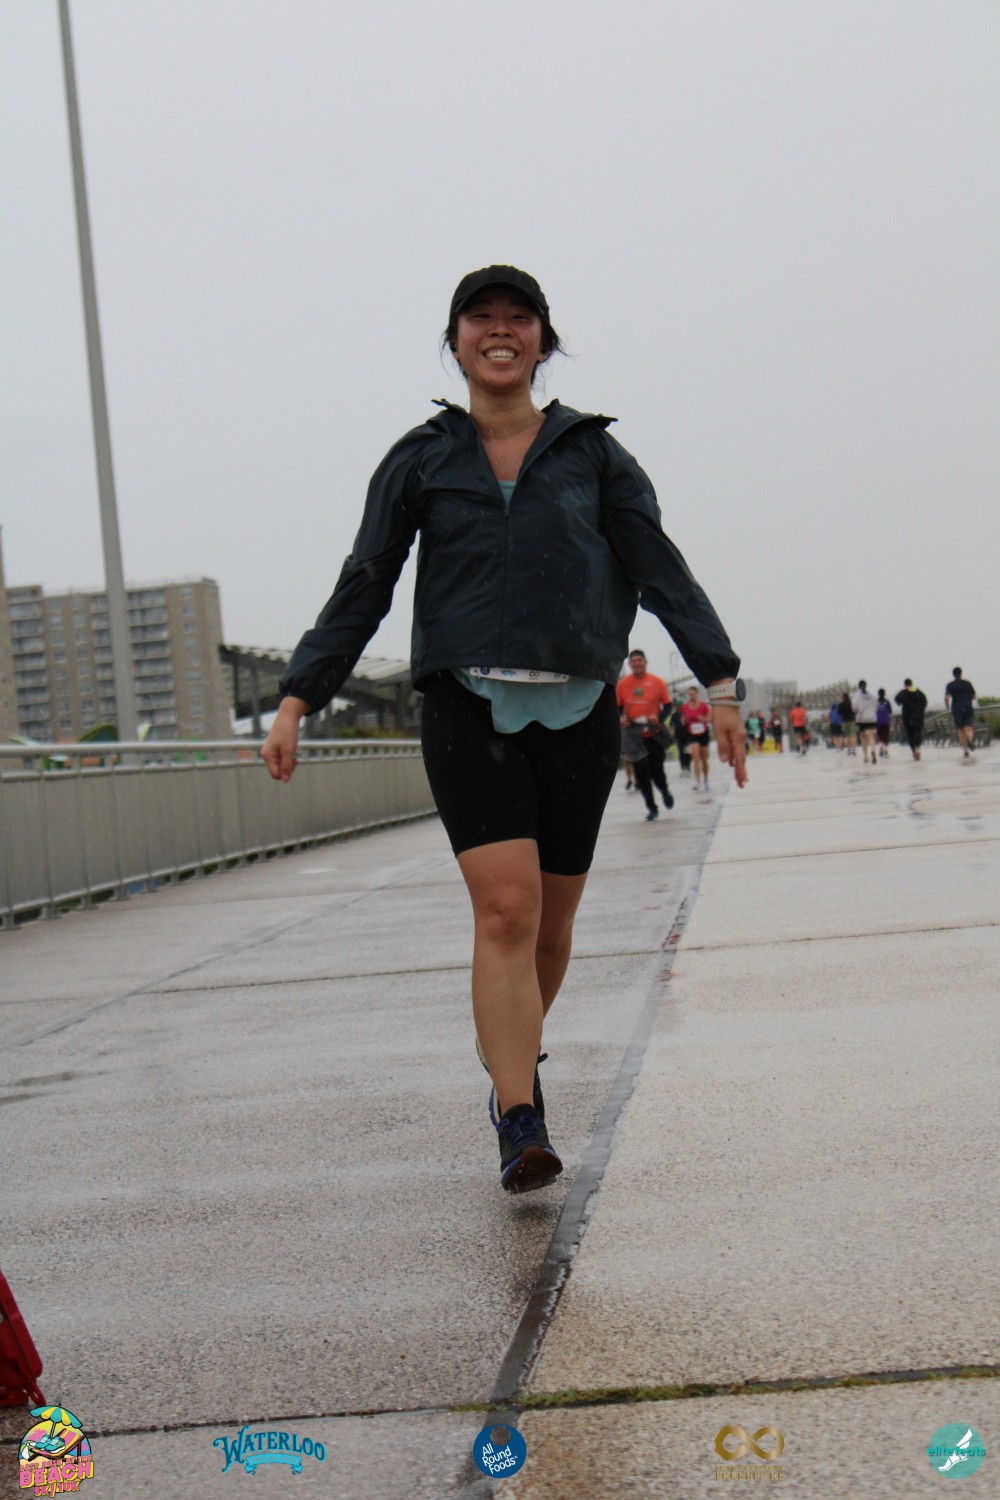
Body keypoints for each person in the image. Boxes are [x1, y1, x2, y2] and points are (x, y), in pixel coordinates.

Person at [260, 265, 747, 1196]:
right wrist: (297, 698)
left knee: (552, 927)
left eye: (518, 319)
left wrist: (719, 681)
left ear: (542, 341)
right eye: (479, 318)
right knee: (508, 911)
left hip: (578, 710)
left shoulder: (594, 455)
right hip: (465, 704)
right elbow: (367, 579)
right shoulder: (421, 459)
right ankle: (520, 1114)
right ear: (454, 342)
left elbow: (659, 567)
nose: (499, 331)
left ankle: (509, 1060)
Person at [616, 650, 674, 821]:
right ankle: (651, 807)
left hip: (652, 731)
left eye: (639, 660)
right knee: (641, 774)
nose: (636, 663)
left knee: (657, 771)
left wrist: (659, 718)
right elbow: (617, 707)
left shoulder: (657, 682)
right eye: (633, 661)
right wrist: (621, 718)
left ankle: (664, 790)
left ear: (645, 662)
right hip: (634, 734)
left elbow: (668, 705)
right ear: (629, 664)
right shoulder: (623, 685)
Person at [681, 684, 712, 791]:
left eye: (693, 694)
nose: (691, 697)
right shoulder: (685, 706)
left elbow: (710, 718)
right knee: (696, 759)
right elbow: (683, 718)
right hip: (692, 733)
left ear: (697, 694)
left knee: (704, 759)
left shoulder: (703, 705)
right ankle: (698, 782)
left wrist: (703, 719)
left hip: (703, 733)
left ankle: (706, 780)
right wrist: (683, 721)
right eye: (690, 695)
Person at [945, 667, 977, 759]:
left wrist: (947, 706)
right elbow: (974, 696)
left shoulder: (950, 685)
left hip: (957, 709)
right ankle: (970, 739)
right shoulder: (967, 683)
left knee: (960, 729)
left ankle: (965, 750)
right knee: (968, 726)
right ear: (961, 673)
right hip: (968, 707)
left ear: (953, 674)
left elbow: (947, 697)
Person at [894, 678, 927, 761]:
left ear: (905, 685)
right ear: (912, 684)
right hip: (918, 716)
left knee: (910, 734)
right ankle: (917, 748)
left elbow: (897, 700)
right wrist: (920, 711)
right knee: (918, 732)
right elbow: (925, 702)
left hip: (908, 717)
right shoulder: (919, 692)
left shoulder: (903, 693)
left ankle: (914, 751)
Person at [851, 680, 879, 765]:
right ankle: (873, 751)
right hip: (872, 718)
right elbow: (877, 705)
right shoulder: (871, 695)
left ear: (858, 686)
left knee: (863, 737)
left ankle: (866, 756)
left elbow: (854, 708)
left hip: (862, 719)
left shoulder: (856, 696)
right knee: (871, 736)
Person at [670, 703, 692, 775]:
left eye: (680, 706)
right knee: (681, 751)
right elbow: (672, 726)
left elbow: (690, 723)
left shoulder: (687, 713)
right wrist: (672, 735)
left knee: (687, 751)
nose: (679, 707)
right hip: (678, 735)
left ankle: (688, 767)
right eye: (678, 706)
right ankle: (683, 767)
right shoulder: (674, 715)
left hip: (687, 735)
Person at [838, 690, 857, 756]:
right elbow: (855, 711)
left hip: (844, 721)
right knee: (853, 735)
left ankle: (849, 748)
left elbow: (839, 713)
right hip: (851, 720)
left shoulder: (841, 705)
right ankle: (853, 748)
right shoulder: (851, 703)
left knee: (846, 735)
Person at [875, 688, 893, 757]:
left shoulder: (876, 702)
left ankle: (881, 748)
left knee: (880, 736)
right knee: (886, 736)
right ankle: (886, 750)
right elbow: (890, 711)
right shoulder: (887, 702)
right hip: (886, 721)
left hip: (878, 722)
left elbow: (874, 711)